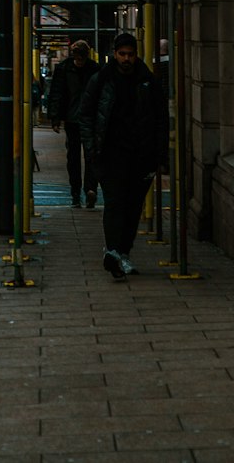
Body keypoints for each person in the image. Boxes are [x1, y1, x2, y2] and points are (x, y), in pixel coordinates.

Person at [75, 32, 168, 281]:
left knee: (133, 207)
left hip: (141, 155)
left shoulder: (148, 81)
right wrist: (92, 149)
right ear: (115, 54)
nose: (126, 59)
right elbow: (85, 115)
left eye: (130, 54)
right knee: (115, 204)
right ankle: (114, 253)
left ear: (136, 55)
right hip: (110, 154)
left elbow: (160, 119)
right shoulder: (101, 80)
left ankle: (122, 251)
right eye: (122, 54)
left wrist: (159, 154)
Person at [47, 40, 100, 208]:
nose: (79, 62)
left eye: (81, 59)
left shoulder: (94, 69)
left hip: (88, 119)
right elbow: (56, 92)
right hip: (73, 119)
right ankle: (76, 192)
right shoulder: (64, 69)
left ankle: (90, 189)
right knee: (75, 157)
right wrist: (55, 117)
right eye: (77, 58)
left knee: (89, 155)